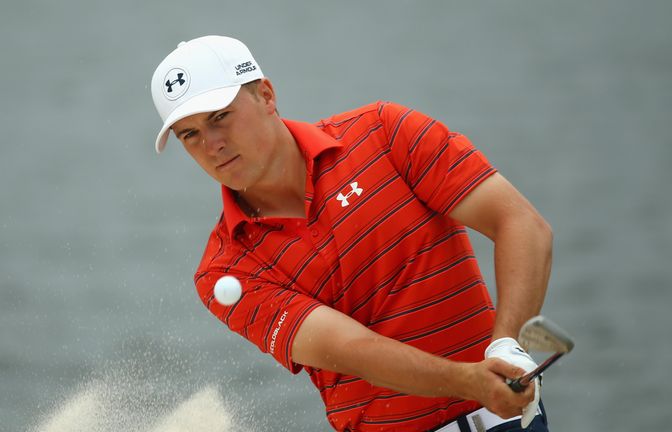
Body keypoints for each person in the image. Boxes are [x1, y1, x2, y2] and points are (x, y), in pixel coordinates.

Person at [149, 35, 553, 432]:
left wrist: (507, 346)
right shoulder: (224, 271)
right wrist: (472, 381)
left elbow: (521, 224)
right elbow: (354, 350)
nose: (212, 144)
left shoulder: (384, 132)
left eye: (220, 116)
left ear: (266, 96)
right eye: (190, 134)